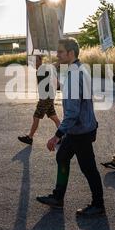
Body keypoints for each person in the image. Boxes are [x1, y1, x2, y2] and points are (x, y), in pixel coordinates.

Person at [36, 38, 105, 216]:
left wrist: (56, 136)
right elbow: (79, 95)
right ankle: (58, 197)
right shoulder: (80, 69)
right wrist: (60, 85)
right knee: (62, 157)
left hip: (80, 130)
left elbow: (72, 113)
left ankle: (98, 205)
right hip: (83, 127)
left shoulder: (75, 75)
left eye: (60, 51)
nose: (57, 54)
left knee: (88, 168)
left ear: (70, 53)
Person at [18, 55, 61, 145]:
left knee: (36, 117)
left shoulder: (44, 68)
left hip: (46, 98)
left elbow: (55, 67)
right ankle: (63, 136)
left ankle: (30, 137)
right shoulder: (41, 68)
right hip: (48, 97)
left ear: (40, 60)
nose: (34, 63)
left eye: (36, 61)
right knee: (54, 118)